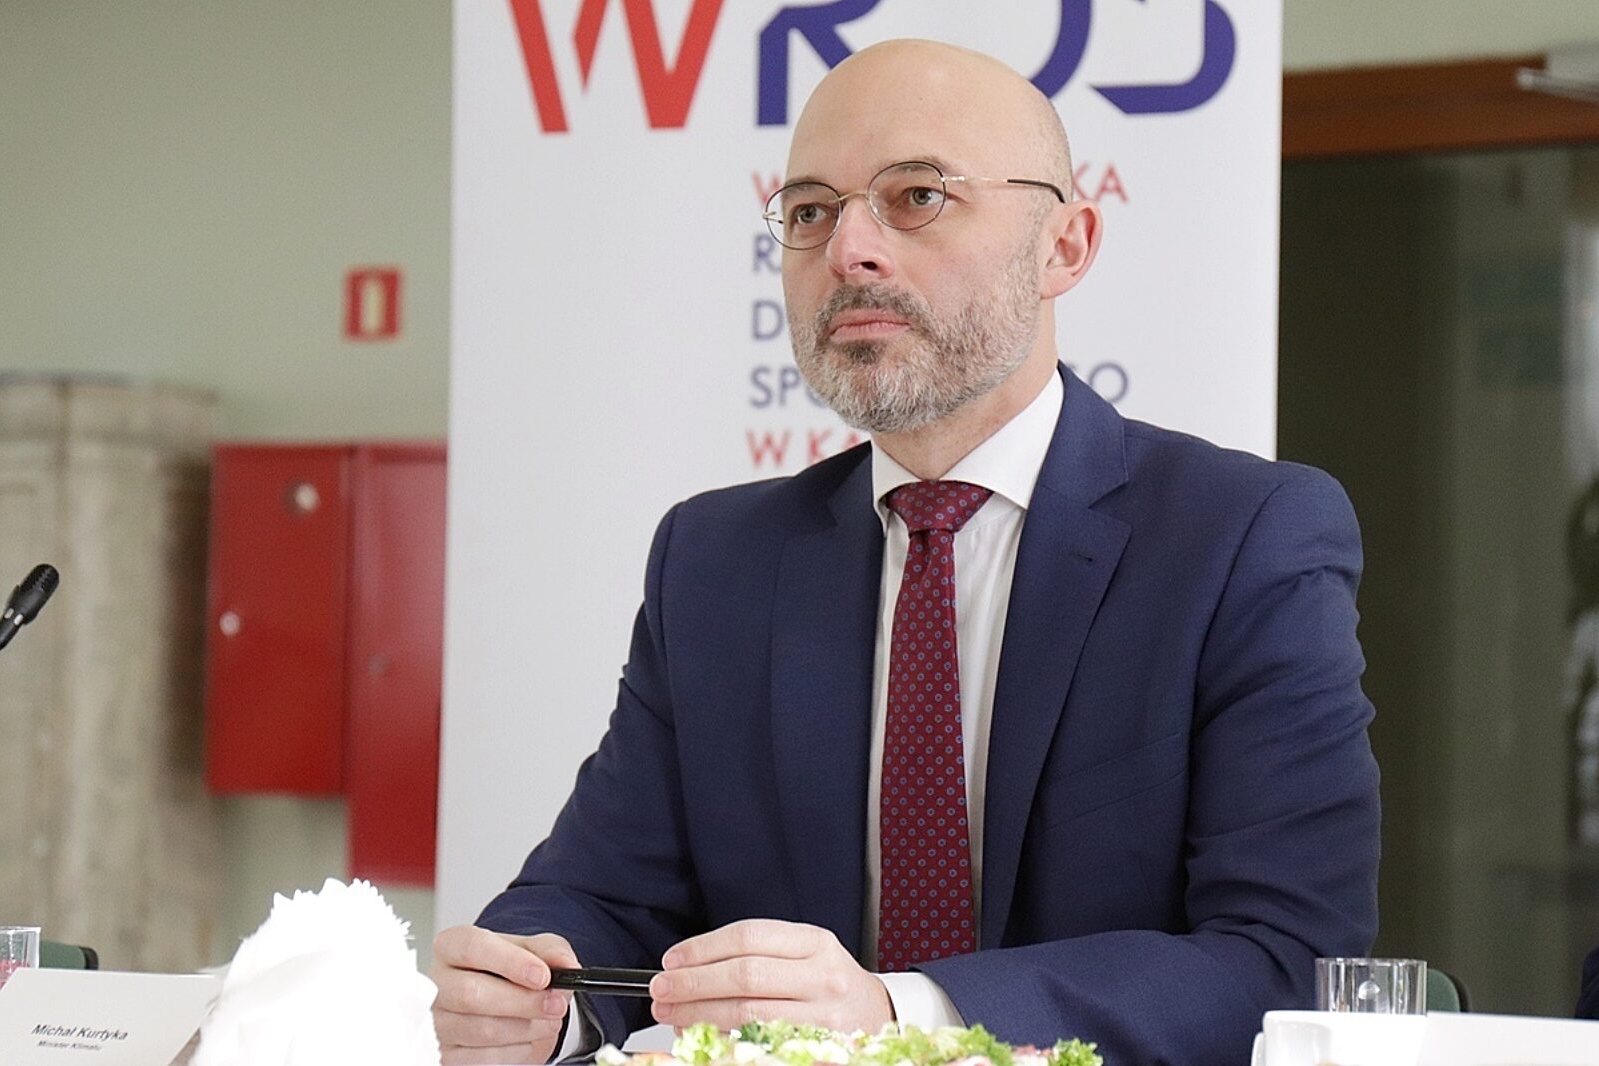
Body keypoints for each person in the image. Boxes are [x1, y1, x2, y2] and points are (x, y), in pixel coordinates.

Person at [430, 38, 1381, 1066]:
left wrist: (902, 1013)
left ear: (1064, 246)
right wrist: (540, 995)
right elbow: (605, 893)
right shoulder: (715, 562)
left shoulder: (1240, 539)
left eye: (917, 197)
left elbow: (1283, 960)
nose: (849, 251)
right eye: (809, 211)